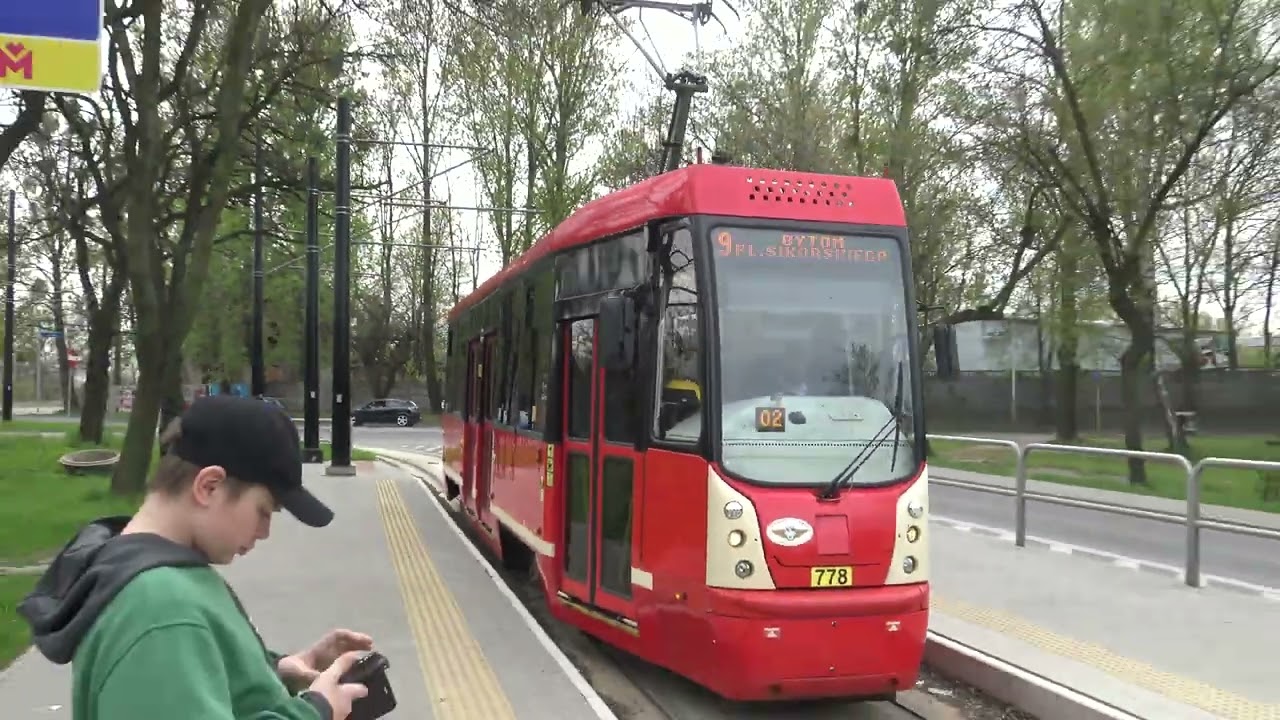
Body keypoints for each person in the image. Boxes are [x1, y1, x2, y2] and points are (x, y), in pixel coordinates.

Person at [18, 394, 373, 720]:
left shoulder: (155, 576)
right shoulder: (159, 609)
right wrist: (316, 711)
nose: (264, 532)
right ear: (209, 486)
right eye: (264, 511)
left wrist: (274, 671)